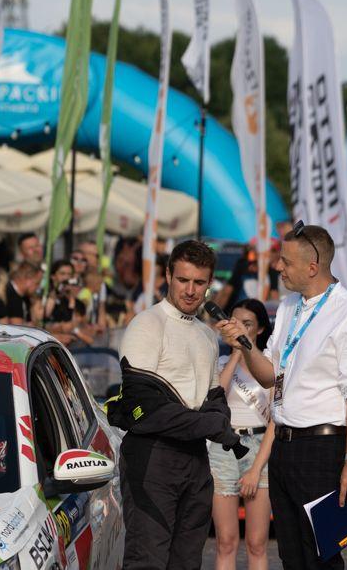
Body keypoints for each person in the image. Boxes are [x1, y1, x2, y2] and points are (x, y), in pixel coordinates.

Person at [217, 221, 347, 569]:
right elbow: (268, 375)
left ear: (312, 267)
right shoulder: (289, 306)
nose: (278, 267)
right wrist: (244, 344)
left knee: (321, 555)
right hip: (284, 445)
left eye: (286, 262)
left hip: (322, 447)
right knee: (291, 555)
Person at [113, 240, 234, 570]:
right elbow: (143, 408)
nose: (191, 291)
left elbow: (216, 400)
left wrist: (214, 421)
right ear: (167, 276)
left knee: (187, 562)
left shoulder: (207, 335)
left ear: (210, 283)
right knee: (147, 561)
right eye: (183, 280)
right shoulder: (147, 324)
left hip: (195, 459)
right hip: (152, 455)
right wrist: (212, 424)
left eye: (199, 282)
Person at [211, 298, 274, 570]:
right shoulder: (221, 362)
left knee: (257, 543)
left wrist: (256, 469)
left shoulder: (270, 365)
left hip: (260, 449)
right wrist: (237, 352)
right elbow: (216, 398)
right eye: (235, 323)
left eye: (247, 324)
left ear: (259, 329)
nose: (240, 329)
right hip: (223, 447)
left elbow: (276, 421)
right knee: (225, 541)